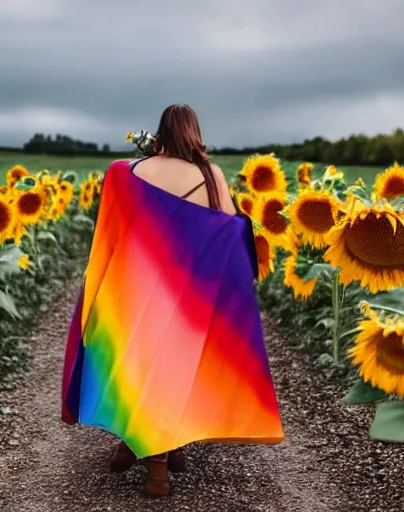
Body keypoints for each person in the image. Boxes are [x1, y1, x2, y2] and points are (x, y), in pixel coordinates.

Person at [61, 104, 284, 498]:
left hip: (135, 291)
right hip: (187, 299)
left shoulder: (130, 172)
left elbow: (116, 227)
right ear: (195, 133)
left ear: (161, 132)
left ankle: (135, 444)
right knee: (176, 368)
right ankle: (161, 465)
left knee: (137, 364)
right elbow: (229, 232)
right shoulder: (210, 175)